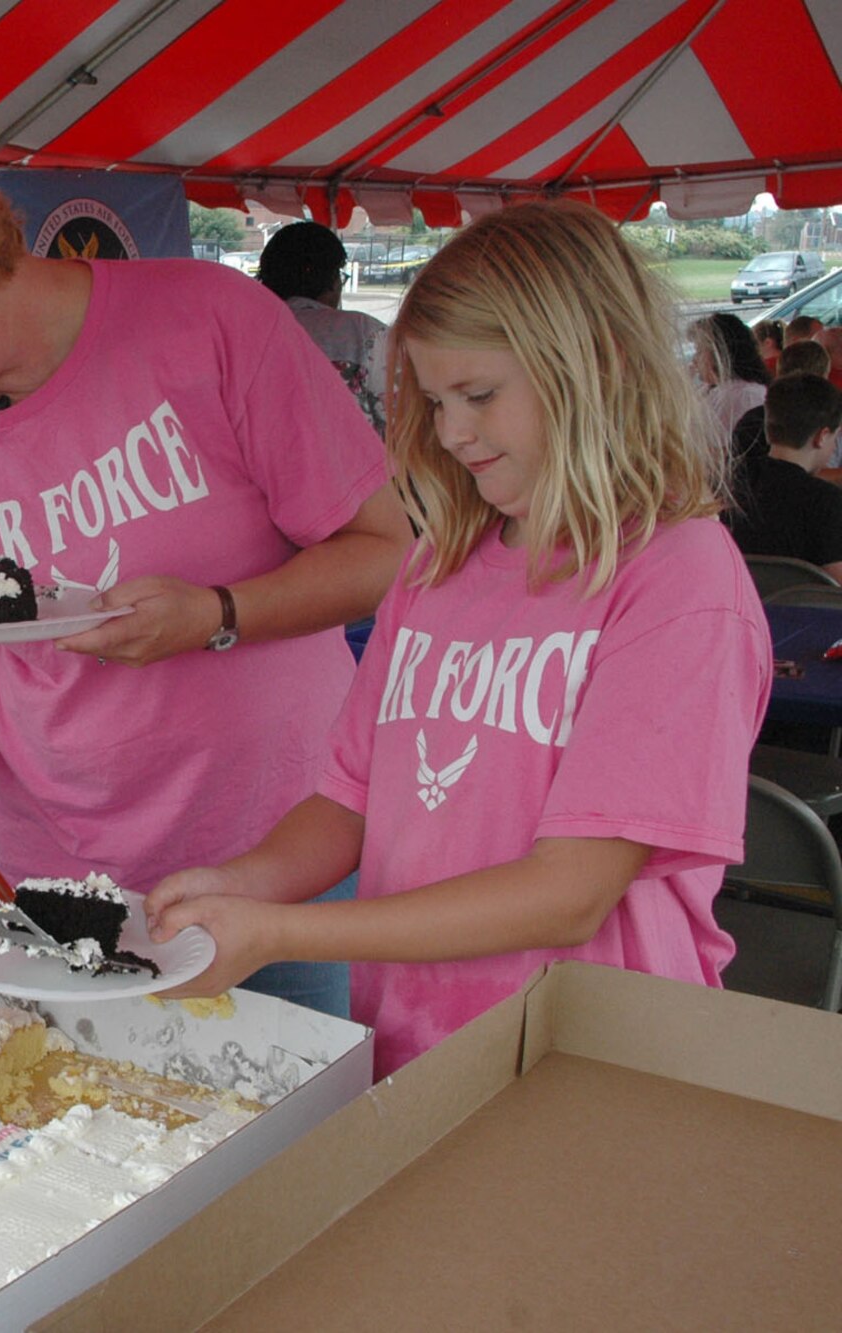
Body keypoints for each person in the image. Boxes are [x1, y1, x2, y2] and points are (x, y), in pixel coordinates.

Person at [0, 142, 412, 1018]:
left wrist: (216, 614)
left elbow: (388, 549)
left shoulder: (212, 321)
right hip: (57, 881)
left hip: (283, 859)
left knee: (300, 1137)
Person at [144, 200, 771, 1078]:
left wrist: (284, 929)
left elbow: (569, 894)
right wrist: (247, 882)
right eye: (436, 402)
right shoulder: (439, 564)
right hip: (418, 1043)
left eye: (479, 395)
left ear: (597, 367)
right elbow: (349, 798)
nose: (452, 432)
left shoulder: (677, 576)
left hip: (593, 1064)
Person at [257, 220, 389, 433]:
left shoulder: (241, 333)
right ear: (332, 280)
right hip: (352, 463)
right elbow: (402, 419)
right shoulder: (364, 332)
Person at [728, 373, 842, 577]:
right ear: (822, 437)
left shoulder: (731, 490)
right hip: (806, 609)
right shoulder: (826, 503)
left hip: (743, 605)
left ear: (768, 428)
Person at [690, 311, 770, 444]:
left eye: (699, 350)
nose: (694, 359)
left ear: (719, 354)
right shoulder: (709, 389)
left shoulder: (745, 395)